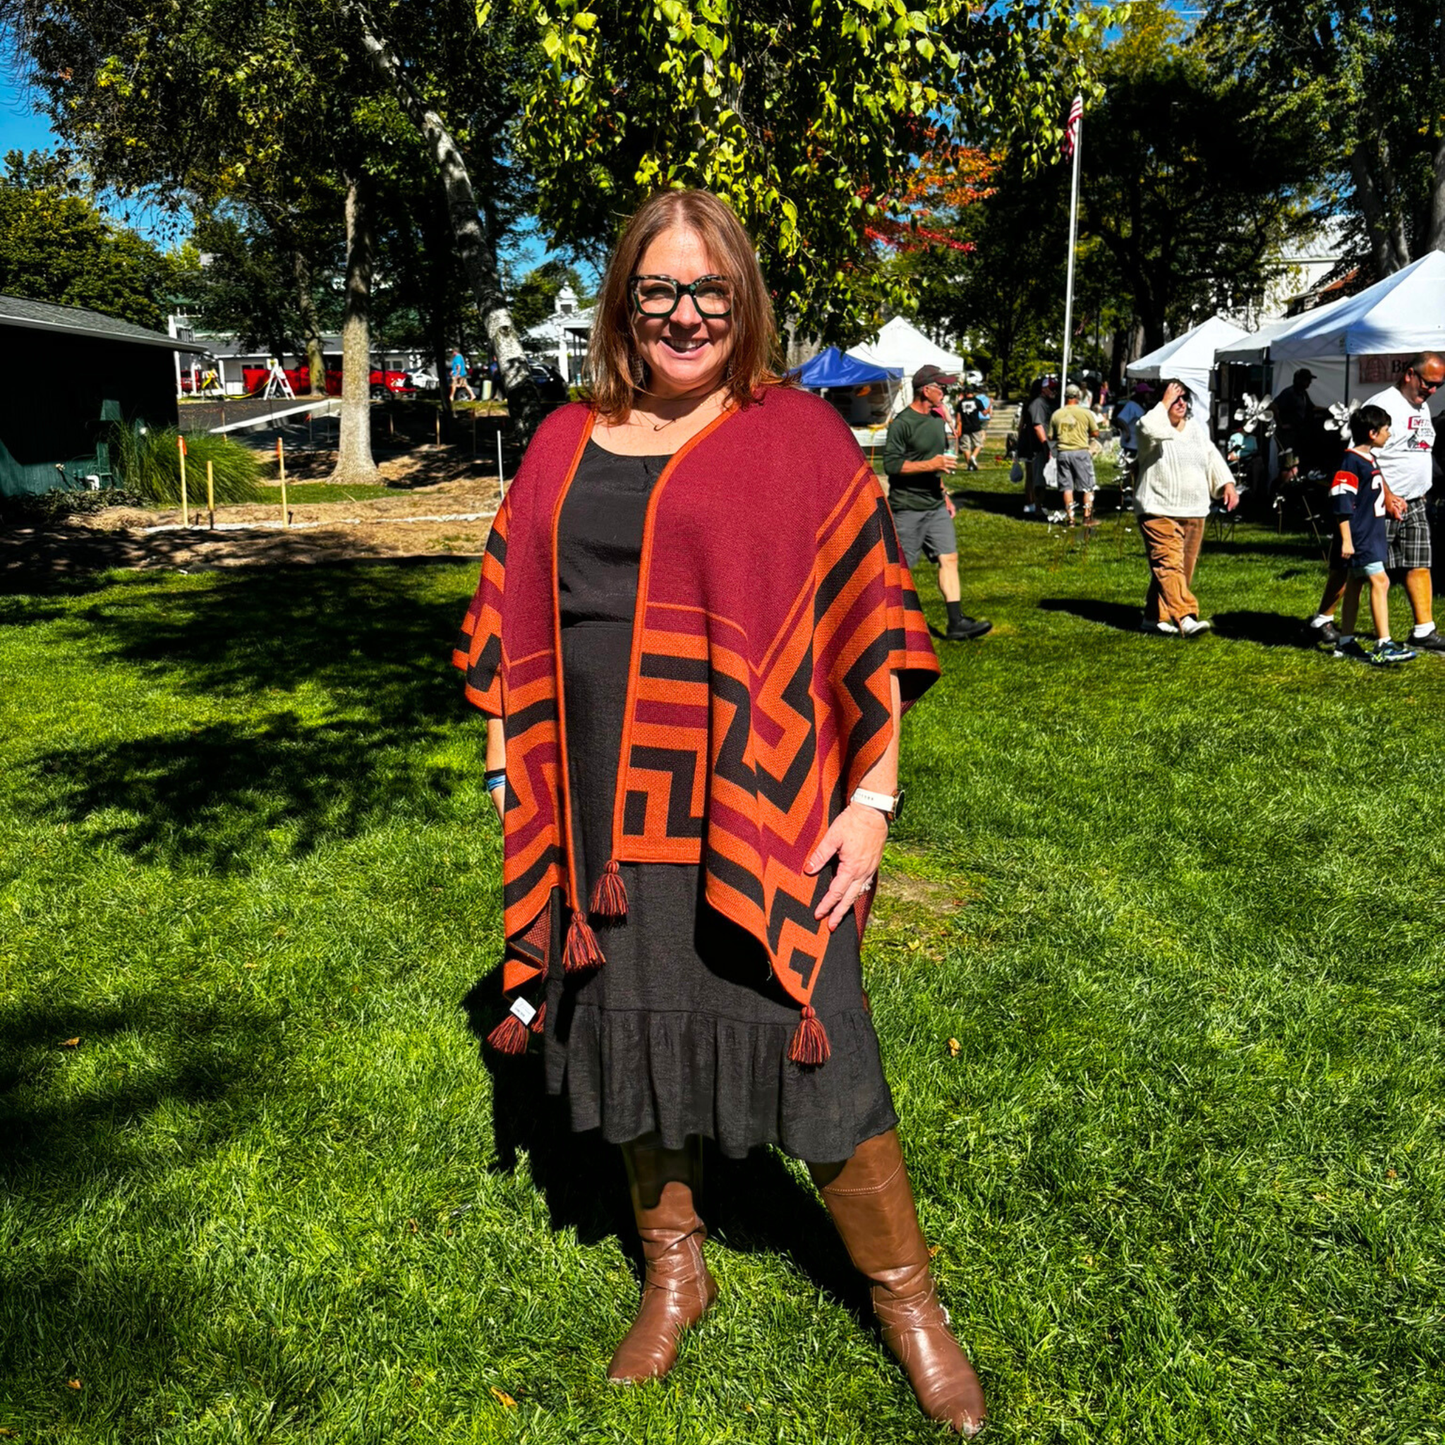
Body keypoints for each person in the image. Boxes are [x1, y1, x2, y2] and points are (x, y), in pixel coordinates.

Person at [452, 188, 986, 1435]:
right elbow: (510, 611)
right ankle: (673, 1267)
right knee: (627, 1027)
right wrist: (504, 770)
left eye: (709, 292)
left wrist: (870, 793)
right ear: (622, 305)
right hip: (597, 806)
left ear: (741, 303)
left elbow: (866, 619)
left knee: (818, 1028)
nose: (684, 315)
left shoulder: (795, 433)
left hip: (754, 793)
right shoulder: (562, 436)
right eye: (658, 292)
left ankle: (906, 1299)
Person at [882, 365, 992, 641]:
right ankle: (888, 627)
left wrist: (944, 496)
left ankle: (956, 622)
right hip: (907, 507)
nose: (944, 392)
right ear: (925, 390)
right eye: (940, 387)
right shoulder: (903, 423)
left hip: (934, 505)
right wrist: (932, 464)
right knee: (900, 569)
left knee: (950, 558)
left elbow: (938, 463)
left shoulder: (936, 420)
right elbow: (892, 464)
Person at [1307, 405, 1415, 665]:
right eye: (1386, 429)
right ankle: (1383, 643)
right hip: (1360, 536)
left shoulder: (1369, 458)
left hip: (1371, 533)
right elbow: (1342, 501)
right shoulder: (1350, 461)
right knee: (1382, 582)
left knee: (1355, 584)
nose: (1389, 434)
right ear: (1372, 432)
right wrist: (1346, 538)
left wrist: (1391, 502)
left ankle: (1345, 642)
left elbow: (1371, 495)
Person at [1133, 378, 1239, 636]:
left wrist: (1227, 484)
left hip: (1193, 510)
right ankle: (1186, 616)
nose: (1180, 403)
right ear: (1163, 400)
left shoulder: (1194, 430)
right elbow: (1148, 428)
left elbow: (1212, 457)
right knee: (1168, 564)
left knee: (1180, 568)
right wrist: (1164, 401)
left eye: (1183, 398)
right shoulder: (1151, 427)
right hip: (1158, 507)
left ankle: (1152, 617)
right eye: (1174, 398)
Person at [1364, 352, 1445, 653]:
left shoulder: (1421, 406)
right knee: (1361, 568)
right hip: (1382, 503)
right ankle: (1325, 620)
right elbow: (1364, 453)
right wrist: (1385, 494)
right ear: (1410, 374)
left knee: (1420, 563)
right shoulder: (1383, 405)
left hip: (1414, 502)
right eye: (1429, 383)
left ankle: (1424, 630)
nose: (1432, 390)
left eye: (1439, 385)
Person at [1049, 383, 1100, 526]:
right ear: (1078, 396)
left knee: (1067, 487)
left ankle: (1070, 518)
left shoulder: (1057, 414)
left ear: (1065, 397)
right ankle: (1086, 517)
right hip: (1080, 452)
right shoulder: (1085, 413)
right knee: (1088, 486)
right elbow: (1095, 432)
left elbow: (1051, 436)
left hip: (1063, 452)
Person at [1021, 375, 1059, 517]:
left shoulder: (1048, 403)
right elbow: (1038, 426)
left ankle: (1037, 505)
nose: (1054, 392)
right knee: (1037, 478)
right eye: (1051, 388)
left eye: (1055, 389)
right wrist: (1045, 445)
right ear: (1043, 389)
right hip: (1038, 447)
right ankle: (1036, 507)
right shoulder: (1038, 404)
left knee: (1040, 477)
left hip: (1045, 446)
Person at [1273, 367, 1320, 471]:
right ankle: (1283, 484)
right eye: (1307, 380)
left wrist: (1329, 409)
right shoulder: (1289, 392)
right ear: (1300, 380)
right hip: (1287, 434)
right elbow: (1273, 406)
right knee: (1287, 463)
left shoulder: (1303, 394)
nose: (1309, 383)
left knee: (1296, 461)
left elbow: (1311, 407)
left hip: (1298, 432)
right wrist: (1280, 424)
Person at [957, 385, 991, 471]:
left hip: (965, 427)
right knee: (979, 444)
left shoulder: (961, 402)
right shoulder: (977, 401)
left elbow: (958, 418)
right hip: (975, 426)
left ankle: (970, 465)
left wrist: (958, 427)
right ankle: (973, 457)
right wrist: (990, 404)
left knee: (966, 447)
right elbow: (984, 413)